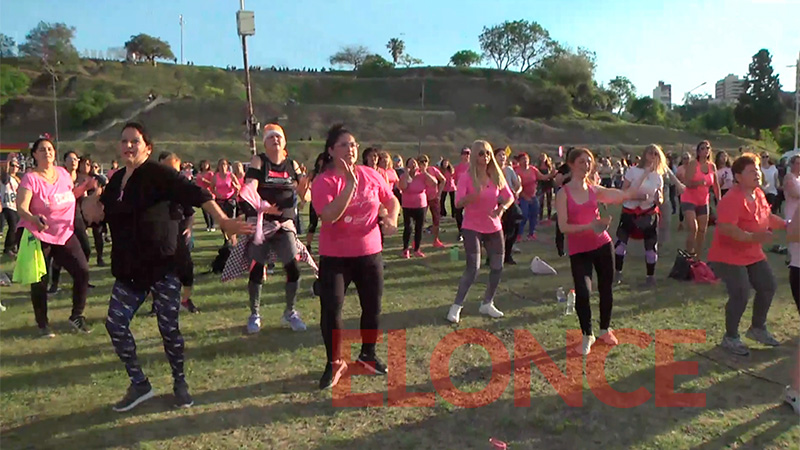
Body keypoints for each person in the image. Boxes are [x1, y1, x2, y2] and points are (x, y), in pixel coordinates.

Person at [82, 122, 252, 412]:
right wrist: (88, 205)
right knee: (115, 324)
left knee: (168, 329)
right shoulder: (117, 179)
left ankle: (180, 381)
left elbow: (196, 193)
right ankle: (140, 384)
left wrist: (223, 221)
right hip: (129, 271)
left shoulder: (159, 174)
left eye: (134, 141)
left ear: (147, 146)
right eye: (124, 141)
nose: (128, 146)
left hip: (163, 267)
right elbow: (102, 212)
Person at [311, 124, 400, 389]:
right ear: (330, 151)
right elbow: (328, 216)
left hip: (369, 252)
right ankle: (334, 363)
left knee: (372, 306)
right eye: (344, 145)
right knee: (332, 309)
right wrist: (349, 185)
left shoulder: (371, 174)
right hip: (335, 257)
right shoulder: (324, 181)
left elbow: (391, 199)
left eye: (353, 144)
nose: (351, 149)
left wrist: (392, 218)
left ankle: (368, 355)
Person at [555, 148, 647, 355]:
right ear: (571, 165)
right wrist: (590, 226)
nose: (586, 165)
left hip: (602, 246)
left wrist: (644, 179)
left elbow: (625, 195)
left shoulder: (594, 190)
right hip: (579, 250)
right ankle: (588, 334)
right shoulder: (563, 193)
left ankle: (605, 329)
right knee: (584, 292)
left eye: (589, 162)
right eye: (581, 162)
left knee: (606, 288)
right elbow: (563, 227)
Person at [706, 153, 786, 356]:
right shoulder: (731, 199)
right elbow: (727, 229)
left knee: (767, 286)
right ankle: (730, 337)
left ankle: (757, 329)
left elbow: (767, 217)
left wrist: (787, 225)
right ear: (738, 176)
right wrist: (753, 237)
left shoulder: (758, 193)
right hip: (727, 255)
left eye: (758, 170)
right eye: (752, 171)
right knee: (741, 292)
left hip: (752, 253)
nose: (757, 174)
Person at [15, 138, 93, 337]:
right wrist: (33, 217)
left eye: (50, 149)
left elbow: (67, 196)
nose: (47, 152)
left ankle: (77, 315)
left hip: (64, 233)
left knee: (82, 271)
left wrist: (83, 189)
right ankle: (43, 324)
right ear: (34, 155)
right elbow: (21, 207)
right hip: (39, 234)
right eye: (42, 150)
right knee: (40, 281)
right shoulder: (30, 178)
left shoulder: (63, 174)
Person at [241, 123, 310, 334]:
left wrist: (305, 190)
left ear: (285, 142)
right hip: (262, 223)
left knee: (293, 268)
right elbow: (250, 186)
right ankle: (255, 313)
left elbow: (305, 198)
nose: (276, 140)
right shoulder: (259, 160)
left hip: (285, 224)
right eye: (271, 137)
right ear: (265, 142)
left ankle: (290, 311)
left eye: (279, 137)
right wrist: (260, 203)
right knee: (256, 267)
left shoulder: (292, 164)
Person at [446, 140, 514, 323]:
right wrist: (472, 196)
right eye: (482, 153)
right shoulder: (467, 177)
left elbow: (509, 197)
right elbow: (457, 203)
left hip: (494, 227)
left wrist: (502, 209)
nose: (486, 157)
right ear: (475, 155)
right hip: (472, 227)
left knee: (497, 267)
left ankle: (487, 303)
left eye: (488, 153)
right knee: (473, 268)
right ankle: (456, 306)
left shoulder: (496, 175)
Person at [613, 144, 667, 287]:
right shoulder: (633, 171)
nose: (652, 155)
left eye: (656, 154)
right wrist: (637, 196)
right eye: (650, 152)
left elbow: (660, 196)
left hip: (648, 214)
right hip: (629, 212)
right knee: (620, 245)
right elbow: (623, 191)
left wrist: (658, 199)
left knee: (651, 247)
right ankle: (617, 273)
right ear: (644, 154)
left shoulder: (658, 176)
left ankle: (650, 276)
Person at [158, 152, 199, 314]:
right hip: (159, 233)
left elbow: (190, 212)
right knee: (158, 271)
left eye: (175, 170)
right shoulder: (152, 188)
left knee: (186, 269)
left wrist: (188, 228)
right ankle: (158, 304)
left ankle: (185, 300)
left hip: (178, 232)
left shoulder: (181, 188)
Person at [678, 141, 720, 257]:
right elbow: (687, 182)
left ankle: (697, 256)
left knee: (702, 230)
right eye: (702, 148)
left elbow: (716, 185)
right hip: (689, 199)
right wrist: (698, 183)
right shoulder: (693, 164)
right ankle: (689, 253)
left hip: (703, 201)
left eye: (708, 148)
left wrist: (719, 200)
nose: (706, 150)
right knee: (693, 228)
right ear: (698, 151)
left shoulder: (712, 166)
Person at [398, 157, 436, 258]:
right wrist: (406, 175)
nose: (413, 165)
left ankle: (417, 249)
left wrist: (425, 172)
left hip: (421, 205)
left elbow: (434, 182)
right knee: (408, 227)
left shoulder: (422, 176)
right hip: (407, 205)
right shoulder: (404, 176)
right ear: (407, 166)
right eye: (410, 163)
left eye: (414, 163)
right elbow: (403, 187)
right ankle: (405, 249)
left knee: (419, 228)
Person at [515, 152, 555, 241]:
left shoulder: (533, 169)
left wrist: (551, 174)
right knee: (524, 215)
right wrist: (524, 196)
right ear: (519, 161)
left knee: (534, 214)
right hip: (522, 196)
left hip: (533, 196)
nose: (525, 161)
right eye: (523, 159)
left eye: (526, 159)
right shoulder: (516, 170)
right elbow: (515, 185)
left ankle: (531, 233)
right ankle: (519, 234)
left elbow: (543, 177)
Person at [494, 148, 522, 264]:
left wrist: (517, 191)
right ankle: (493, 257)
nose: (502, 157)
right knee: (496, 231)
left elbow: (518, 185)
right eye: (499, 155)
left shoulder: (509, 170)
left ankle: (508, 254)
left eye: (504, 155)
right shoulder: (490, 171)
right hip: (495, 204)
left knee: (515, 223)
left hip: (509, 202)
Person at [417, 154, 446, 247]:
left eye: (425, 161)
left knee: (436, 218)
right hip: (422, 199)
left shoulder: (432, 170)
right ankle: (417, 241)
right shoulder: (416, 172)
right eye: (421, 161)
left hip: (433, 197)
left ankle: (436, 239)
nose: (424, 163)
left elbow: (443, 180)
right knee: (420, 220)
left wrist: (439, 193)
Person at [306, 153, 327, 253]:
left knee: (327, 224)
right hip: (314, 202)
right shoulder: (313, 173)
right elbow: (306, 185)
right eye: (321, 160)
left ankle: (327, 244)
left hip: (326, 202)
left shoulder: (328, 173)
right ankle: (308, 245)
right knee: (312, 225)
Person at [0, 158, 21, 257]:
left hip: (16, 206)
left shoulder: (17, 179)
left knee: (17, 227)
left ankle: (13, 246)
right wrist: (8, 161)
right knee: (12, 226)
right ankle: (7, 248)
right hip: (7, 205)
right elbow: (5, 176)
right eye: (12, 165)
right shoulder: (6, 178)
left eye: (16, 166)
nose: (14, 168)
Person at [453, 147, 471, 240]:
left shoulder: (473, 167)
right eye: (465, 153)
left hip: (471, 194)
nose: (467, 155)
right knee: (458, 214)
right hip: (461, 194)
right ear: (461, 155)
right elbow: (455, 180)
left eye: (468, 153)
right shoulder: (458, 167)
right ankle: (461, 231)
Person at [195, 160, 216, 231]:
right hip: (201, 193)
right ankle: (208, 225)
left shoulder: (210, 174)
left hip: (209, 193)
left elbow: (213, 183)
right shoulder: (199, 174)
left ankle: (212, 225)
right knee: (204, 210)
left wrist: (205, 181)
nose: (204, 166)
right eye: (203, 164)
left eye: (206, 164)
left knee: (211, 210)